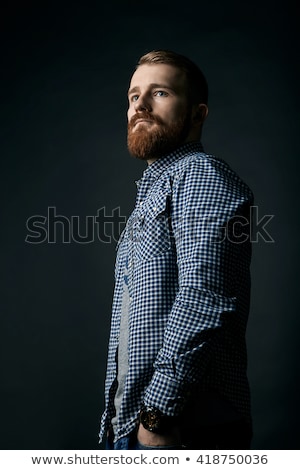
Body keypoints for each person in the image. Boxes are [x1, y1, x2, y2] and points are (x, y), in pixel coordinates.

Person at [99, 49, 254, 450]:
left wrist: (158, 414)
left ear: (198, 114)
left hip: (181, 428)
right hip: (139, 426)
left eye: (160, 93)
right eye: (134, 96)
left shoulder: (200, 175)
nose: (140, 106)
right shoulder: (155, 190)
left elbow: (204, 299)